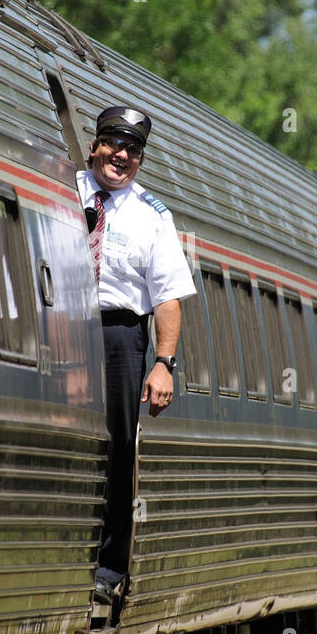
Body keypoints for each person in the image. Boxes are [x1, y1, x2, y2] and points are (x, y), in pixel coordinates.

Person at [79, 105, 195, 606]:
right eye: (113, 143)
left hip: (119, 333)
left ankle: (107, 566)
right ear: (95, 146)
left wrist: (163, 363)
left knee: (118, 443)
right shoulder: (65, 189)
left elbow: (167, 296)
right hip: (59, 321)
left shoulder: (153, 216)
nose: (121, 155)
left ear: (140, 160)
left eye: (132, 150)